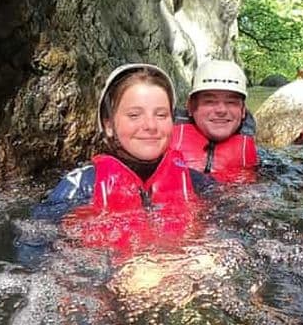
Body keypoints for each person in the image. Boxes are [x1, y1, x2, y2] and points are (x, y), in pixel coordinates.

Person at [35, 63, 208, 255]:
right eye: (134, 115)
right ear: (109, 125)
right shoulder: (80, 187)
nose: (151, 125)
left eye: (161, 115)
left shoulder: (197, 184)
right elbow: (35, 249)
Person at [170, 59, 258, 182]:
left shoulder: (260, 159)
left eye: (231, 102)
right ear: (190, 106)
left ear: (243, 110)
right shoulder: (160, 142)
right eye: (209, 102)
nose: (221, 110)